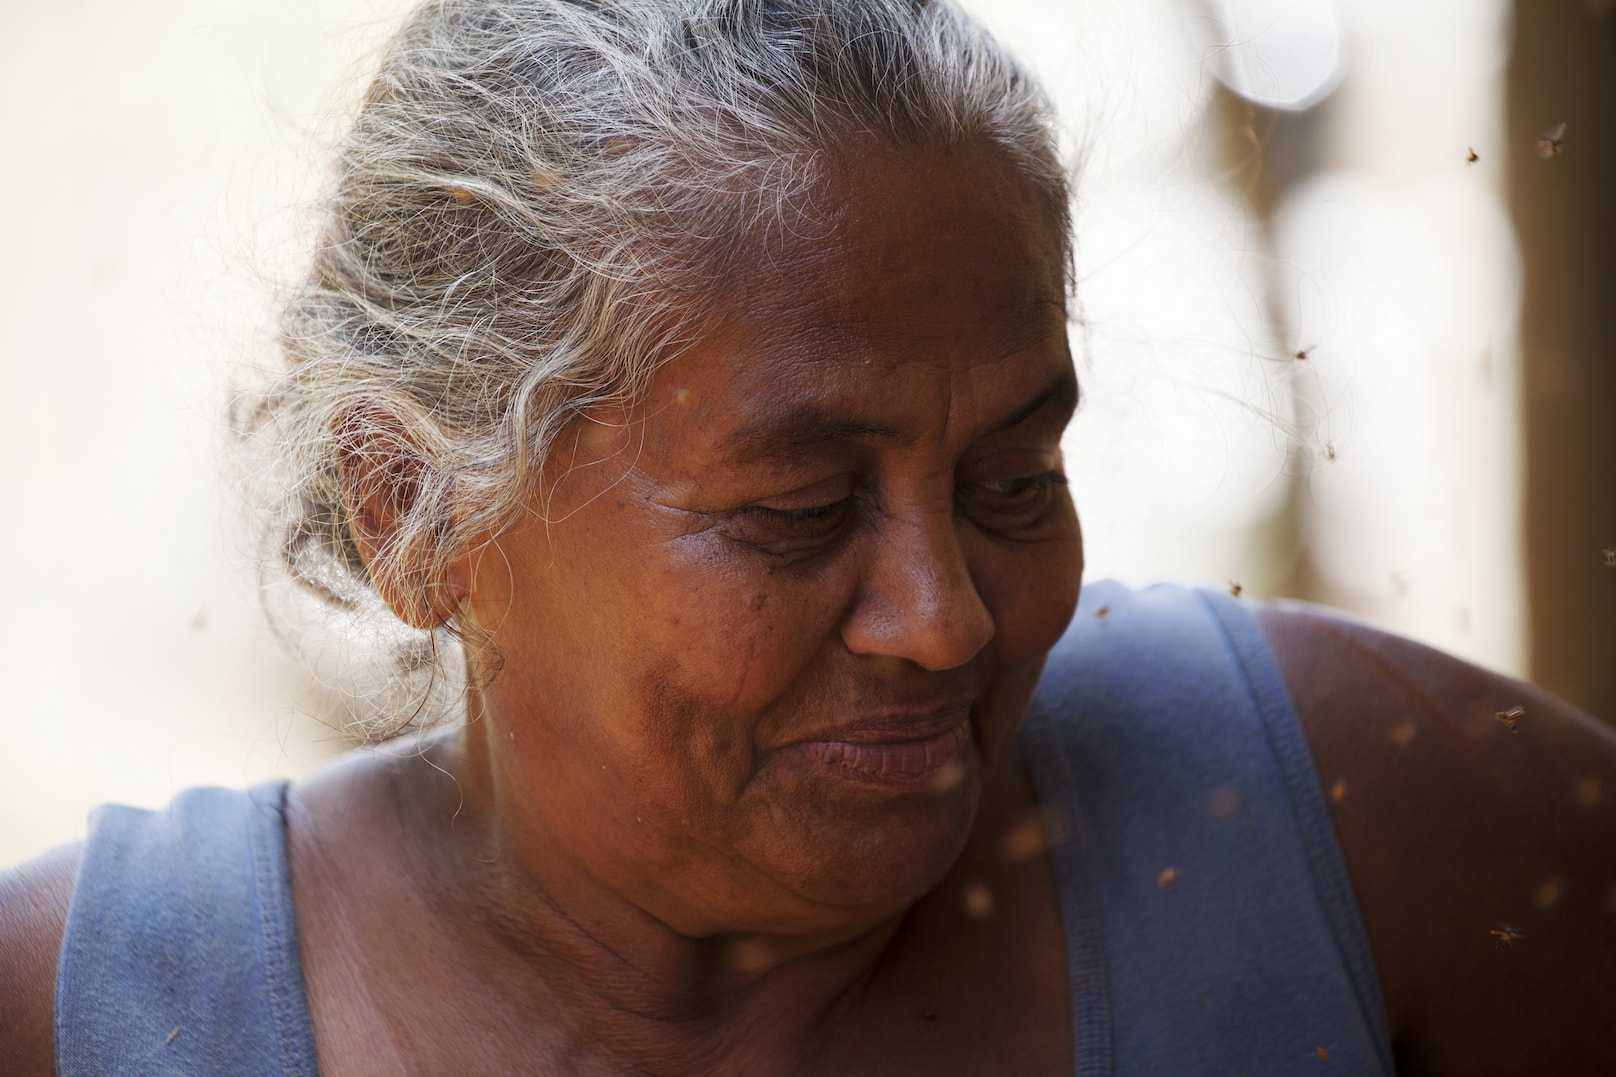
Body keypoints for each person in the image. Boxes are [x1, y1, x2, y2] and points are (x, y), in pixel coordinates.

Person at [3, 0, 1613, 1073]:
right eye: (796, 513)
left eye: (1012, 482)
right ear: (413, 513)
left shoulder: (1350, 819)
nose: (947, 621)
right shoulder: (90, 1016)